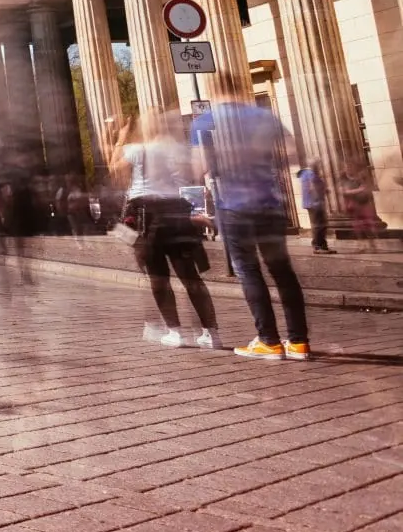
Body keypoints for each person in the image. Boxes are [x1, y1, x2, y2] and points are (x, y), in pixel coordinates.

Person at [194, 83, 309, 360]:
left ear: (215, 91)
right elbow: (293, 153)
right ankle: (298, 342)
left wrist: (218, 165)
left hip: (234, 206)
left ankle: (268, 341)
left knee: (248, 270)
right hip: (269, 204)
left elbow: (198, 166)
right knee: (282, 272)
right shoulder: (263, 115)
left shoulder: (206, 120)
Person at [116, 113, 221, 349]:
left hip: (148, 215)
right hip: (176, 212)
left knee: (158, 277)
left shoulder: (137, 149)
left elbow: (114, 168)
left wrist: (119, 139)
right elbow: (197, 171)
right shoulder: (177, 149)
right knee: (190, 276)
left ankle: (175, 332)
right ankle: (211, 333)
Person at [296, 165, 331, 253]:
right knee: (319, 225)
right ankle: (318, 246)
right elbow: (313, 188)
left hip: (312, 203)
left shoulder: (306, 174)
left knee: (319, 225)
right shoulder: (311, 174)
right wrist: (324, 190)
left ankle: (321, 245)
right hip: (315, 203)